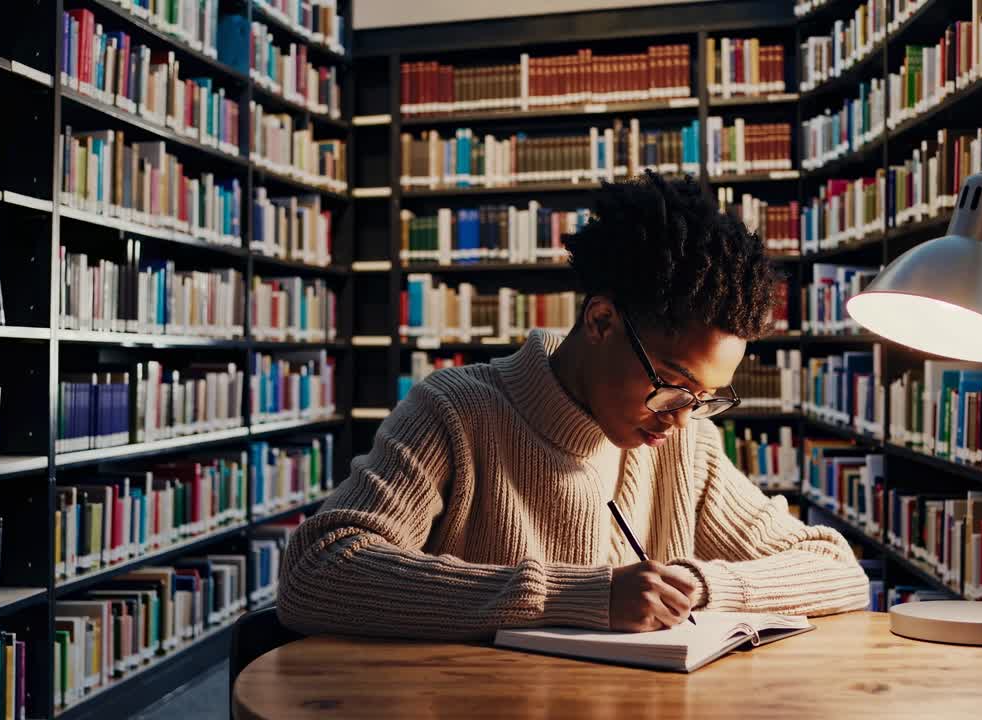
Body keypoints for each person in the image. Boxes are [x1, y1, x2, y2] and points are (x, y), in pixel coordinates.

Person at [277, 171, 869, 639]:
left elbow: (839, 571)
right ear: (602, 321)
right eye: (671, 383)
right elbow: (316, 572)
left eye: (705, 398)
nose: (683, 416)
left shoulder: (687, 446)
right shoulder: (454, 412)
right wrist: (568, 596)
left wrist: (696, 585)